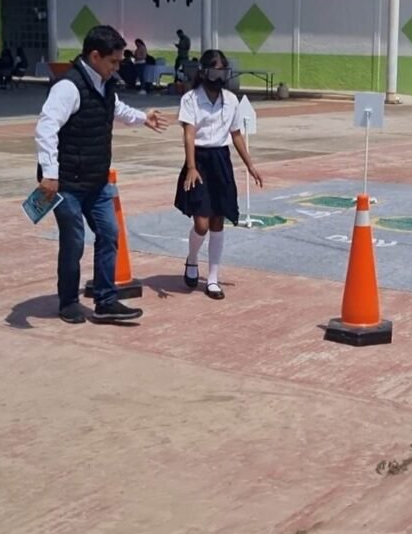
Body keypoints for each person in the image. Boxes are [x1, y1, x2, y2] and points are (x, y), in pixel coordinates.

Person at [35, 24, 169, 324]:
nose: (118, 66)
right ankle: (68, 301)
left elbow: (115, 108)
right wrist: (50, 174)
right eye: (114, 61)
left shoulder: (105, 84)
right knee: (74, 240)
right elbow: (46, 128)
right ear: (95, 56)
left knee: (109, 234)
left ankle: (106, 301)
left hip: (95, 180)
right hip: (66, 182)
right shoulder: (68, 87)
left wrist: (142, 118)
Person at [174, 49, 263, 300]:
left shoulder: (231, 100)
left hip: (221, 161)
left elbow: (235, 135)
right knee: (201, 222)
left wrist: (250, 165)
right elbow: (189, 133)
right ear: (203, 72)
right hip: (200, 160)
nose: (219, 75)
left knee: (218, 221)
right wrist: (191, 167)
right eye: (214, 70)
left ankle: (212, 278)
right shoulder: (191, 99)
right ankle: (192, 260)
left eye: (223, 70)